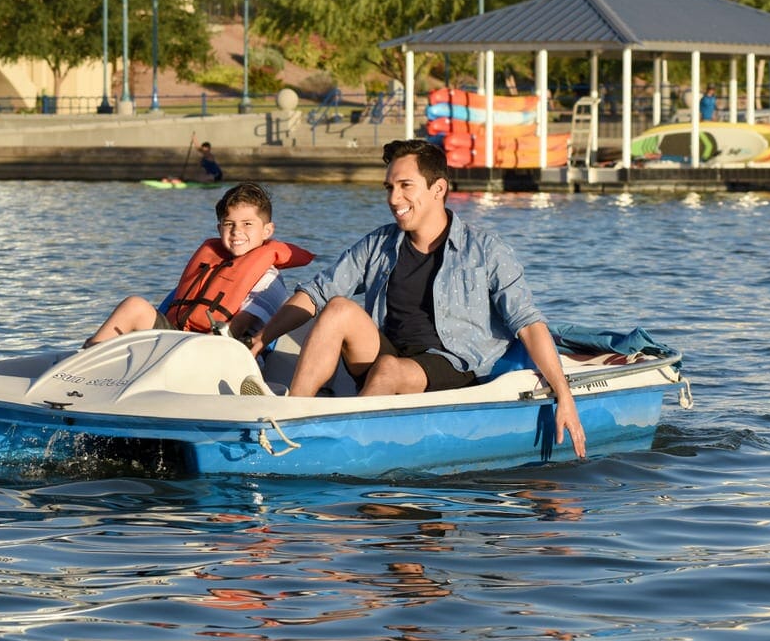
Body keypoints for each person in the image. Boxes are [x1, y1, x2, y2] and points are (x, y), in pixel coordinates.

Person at [250, 138, 586, 457]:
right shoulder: (379, 244)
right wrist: (263, 338)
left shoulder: (485, 250)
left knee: (387, 369)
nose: (393, 199)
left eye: (405, 186)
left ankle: (346, 447)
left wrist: (564, 395)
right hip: (390, 354)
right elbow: (316, 293)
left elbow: (528, 323)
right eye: (389, 187)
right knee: (338, 308)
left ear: (438, 188)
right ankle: (291, 423)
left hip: (453, 363)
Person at [85, 181, 312, 347]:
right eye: (229, 224)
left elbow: (237, 328)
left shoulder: (269, 280)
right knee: (134, 305)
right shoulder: (210, 263)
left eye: (247, 224)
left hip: (222, 350)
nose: (237, 232)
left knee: (214, 344)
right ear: (219, 228)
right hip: (177, 339)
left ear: (267, 231)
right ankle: (87, 360)